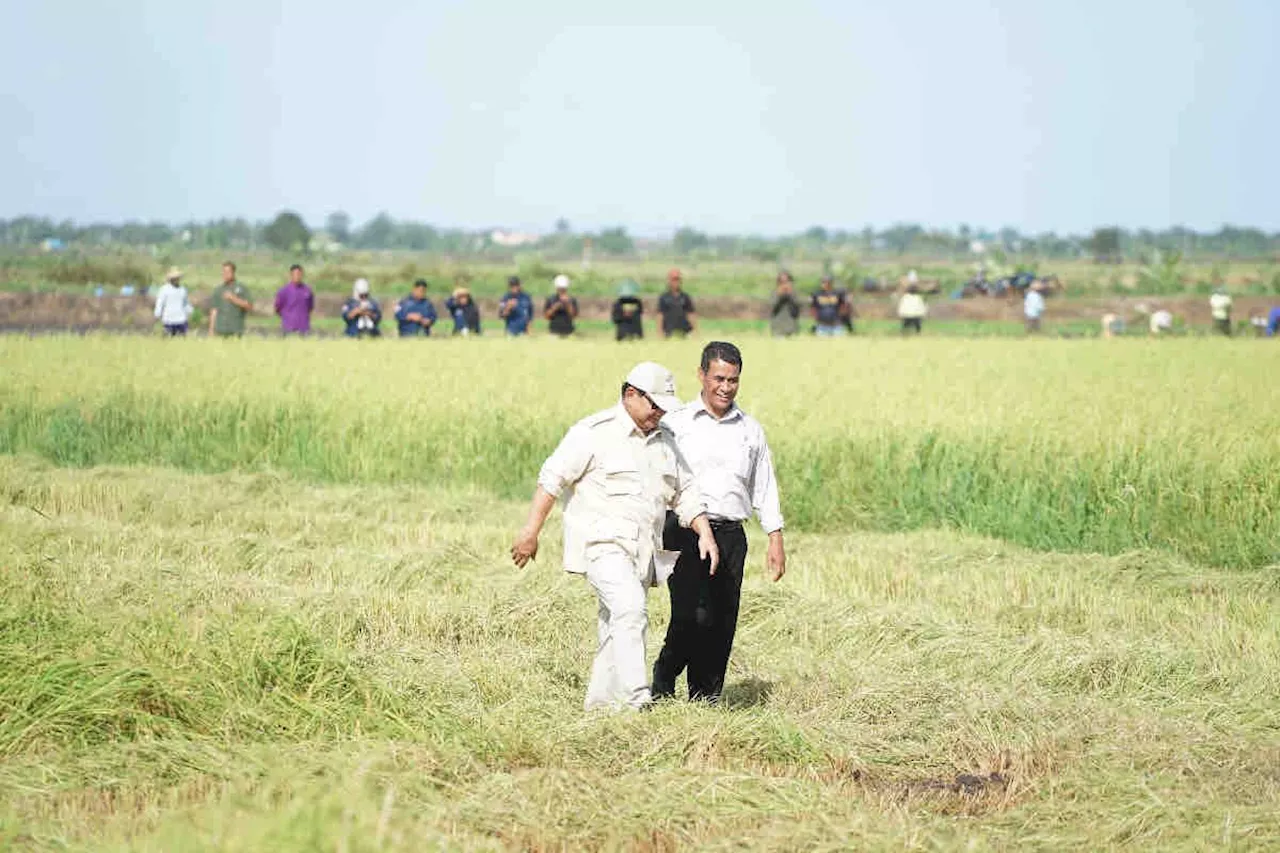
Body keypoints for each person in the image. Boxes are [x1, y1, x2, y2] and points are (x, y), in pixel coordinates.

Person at [510, 362, 719, 712]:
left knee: (615, 626)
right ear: (630, 395)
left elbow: (685, 493)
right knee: (631, 610)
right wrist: (530, 532)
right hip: (601, 546)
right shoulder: (593, 432)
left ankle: (602, 709)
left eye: (664, 406)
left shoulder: (666, 440)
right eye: (654, 404)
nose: (659, 412)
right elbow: (552, 479)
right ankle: (637, 700)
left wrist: (705, 534)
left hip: (643, 552)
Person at [653, 342, 785, 703]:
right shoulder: (675, 423)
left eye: (734, 380)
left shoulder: (750, 430)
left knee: (721, 621)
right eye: (719, 378)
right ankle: (662, 685)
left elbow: (764, 485)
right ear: (701, 375)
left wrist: (775, 537)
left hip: (730, 536)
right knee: (691, 616)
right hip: (683, 532)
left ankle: (705, 698)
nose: (726, 387)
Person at [209, 261, 253, 337]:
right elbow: (214, 311)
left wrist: (233, 299)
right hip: (220, 330)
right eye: (223, 272)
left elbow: (249, 306)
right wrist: (211, 330)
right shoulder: (218, 290)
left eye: (227, 272)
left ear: (233, 272)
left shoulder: (241, 288)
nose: (225, 274)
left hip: (236, 330)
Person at [273, 264, 315, 335]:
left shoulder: (307, 291)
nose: (297, 276)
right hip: (288, 327)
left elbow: (310, 307)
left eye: (299, 274)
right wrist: (287, 316)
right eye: (295, 274)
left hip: (304, 328)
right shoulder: (283, 291)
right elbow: (277, 308)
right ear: (291, 275)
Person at [153, 267, 192, 336]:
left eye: (177, 278)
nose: (176, 279)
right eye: (174, 278)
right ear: (170, 279)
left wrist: (190, 311)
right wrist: (157, 314)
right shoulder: (164, 289)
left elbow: (186, 303)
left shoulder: (183, 290)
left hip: (181, 320)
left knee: (182, 341)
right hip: (168, 320)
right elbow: (160, 303)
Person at [658, 269, 696, 337]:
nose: (676, 282)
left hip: (684, 332)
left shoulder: (685, 297)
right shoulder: (663, 297)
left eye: (677, 279)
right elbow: (660, 315)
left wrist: (695, 331)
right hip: (668, 332)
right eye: (673, 279)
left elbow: (691, 314)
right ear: (669, 281)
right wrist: (659, 331)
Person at [769, 272, 801, 337]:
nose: (784, 284)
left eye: (786, 281)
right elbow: (772, 307)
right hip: (778, 329)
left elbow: (798, 308)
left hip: (792, 328)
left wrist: (790, 296)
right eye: (781, 282)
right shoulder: (775, 293)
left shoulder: (794, 293)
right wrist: (779, 296)